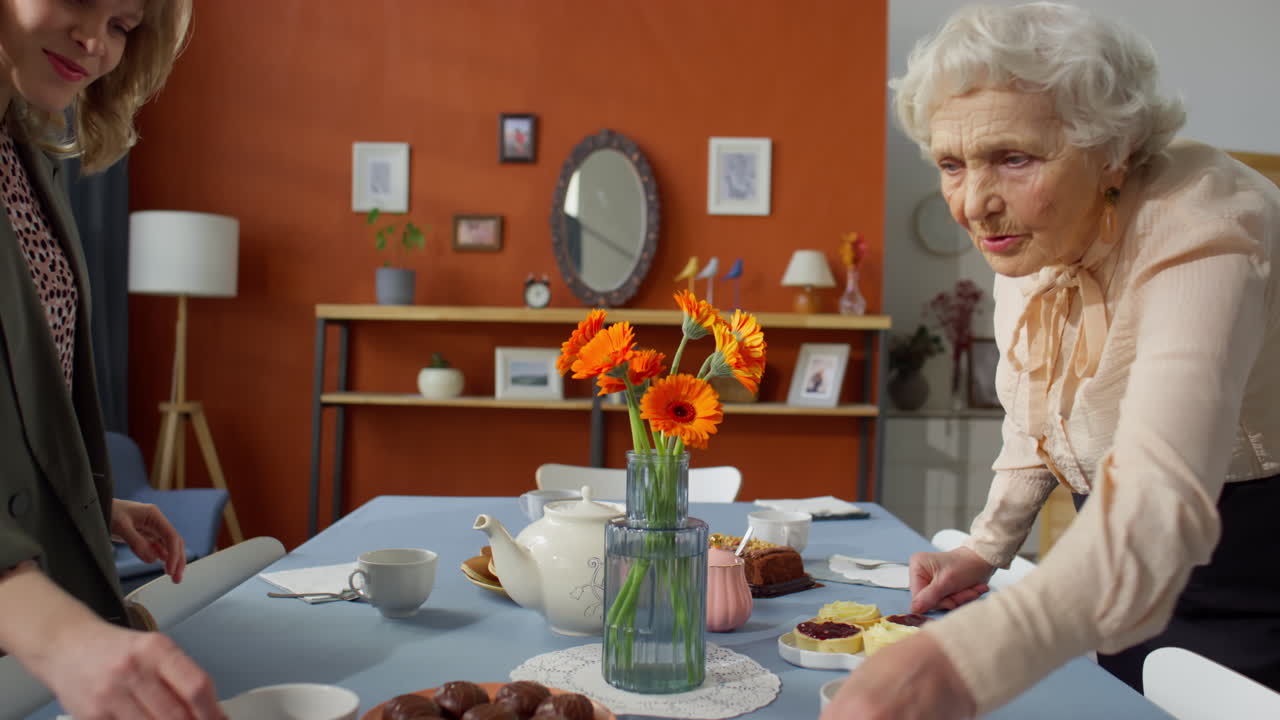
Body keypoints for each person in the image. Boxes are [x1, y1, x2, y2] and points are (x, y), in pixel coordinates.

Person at [822, 3, 1280, 718]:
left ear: (1114, 149)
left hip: (1256, 591)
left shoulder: (1205, 224)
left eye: (1015, 158)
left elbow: (1161, 499)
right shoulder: (1039, 239)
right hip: (1116, 585)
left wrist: (963, 660)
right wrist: (984, 551)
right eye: (951, 164)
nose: (976, 204)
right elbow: (1037, 423)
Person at [0, 1, 225, 718]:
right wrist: (59, 636)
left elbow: (26, 388)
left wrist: (83, 501)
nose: (96, 41)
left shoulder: (28, 157)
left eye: (124, 24)